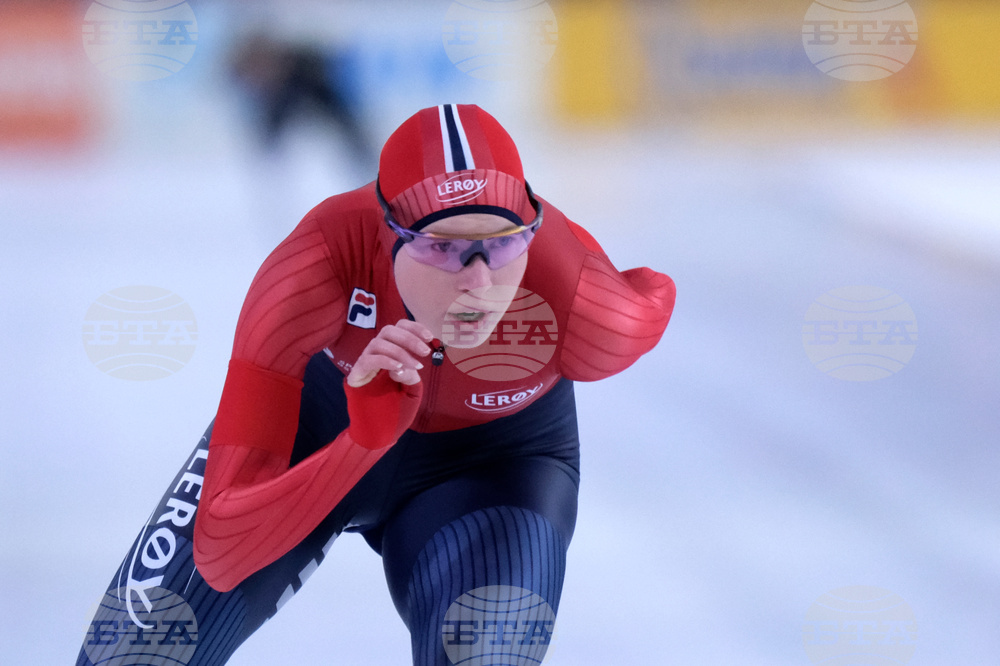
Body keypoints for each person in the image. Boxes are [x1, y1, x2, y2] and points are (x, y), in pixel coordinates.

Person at [77, 104, 676, 666]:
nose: (478, 281)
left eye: (502, 244)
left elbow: (652, 293)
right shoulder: (315, 264)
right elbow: (222, 552)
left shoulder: (584, 304)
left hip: (492, 466)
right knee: (132, 655)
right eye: (442, 248)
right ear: (387, 234)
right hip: (316, 430)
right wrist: (362, 440)